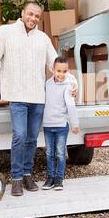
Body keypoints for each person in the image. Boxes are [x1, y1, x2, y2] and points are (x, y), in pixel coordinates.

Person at [0, 2, 77, 196]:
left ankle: (27, 175)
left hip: (37, 97)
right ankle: (16, 179)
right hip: (16, 95)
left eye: (37, 16)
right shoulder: (5, 32)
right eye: (30, 14)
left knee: (32, 139)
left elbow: (55, 64)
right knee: (19, 136)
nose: (33, 18)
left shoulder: (43, 38)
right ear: (22, 13)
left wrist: (72, 82)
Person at [41, 56, 79, 191]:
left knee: (60, 153)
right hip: (48, 125)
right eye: (58, 71)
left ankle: (59, 179)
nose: (61, 74)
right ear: (53, 70)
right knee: (49, 153)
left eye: (64, 71)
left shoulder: (69, 86)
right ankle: (50, 178)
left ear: (67, 71)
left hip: (61, 125)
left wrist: (75, 123)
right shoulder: (47, 84)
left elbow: (70, 104)